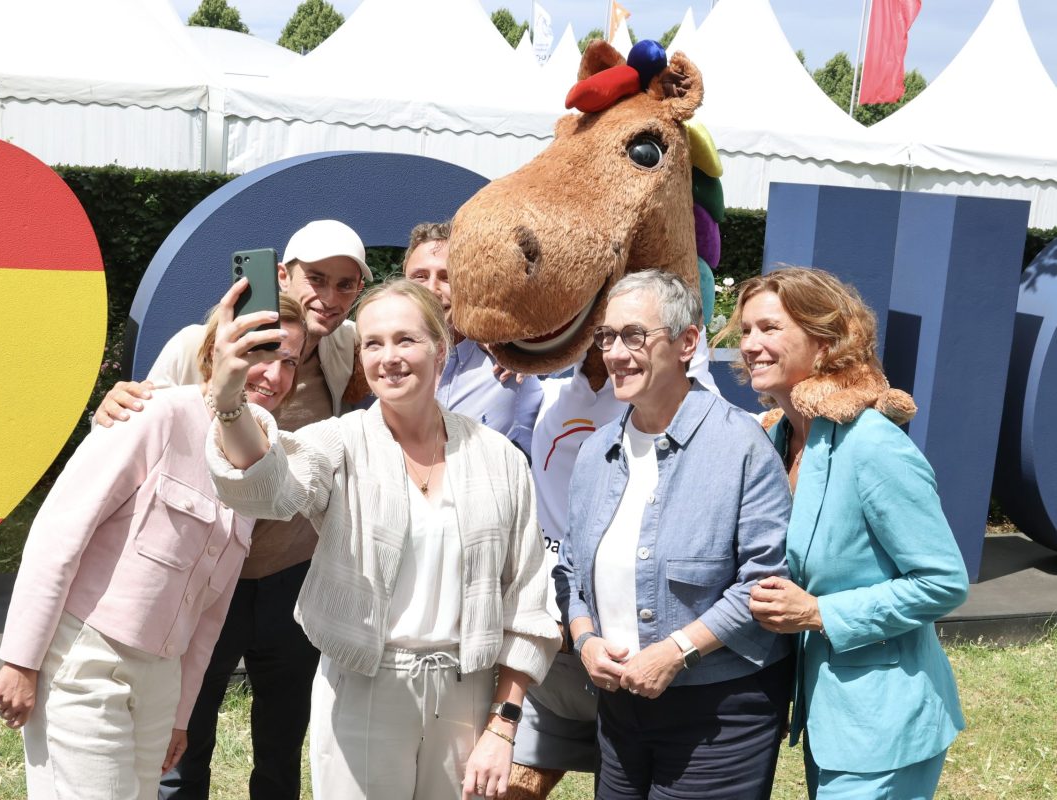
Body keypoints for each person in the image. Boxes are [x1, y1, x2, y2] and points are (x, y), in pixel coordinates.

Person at [206, 279, 561, 800]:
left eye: (405, 340)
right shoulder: (341, 441)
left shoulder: (497, 457)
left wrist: (503, 725)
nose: (388, 357)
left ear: (440, 350)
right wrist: (230, 402)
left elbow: (527, 599)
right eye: (372, 343)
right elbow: (268, 488)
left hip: (466, 694)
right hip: (363, 690)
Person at [0, 288, 307, 800]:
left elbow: (211, 609)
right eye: (258, 352)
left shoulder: (260, 465)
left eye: (289, 361)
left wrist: (180, 716)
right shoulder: (154, 414)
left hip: (161, 677)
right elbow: (59, 533)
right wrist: (21, 661)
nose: (274, 374)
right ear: (215, 351)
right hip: (87, 660)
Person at [92, 220, 368, 800]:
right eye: (316, 278)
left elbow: (425, 322)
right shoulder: (203, 342)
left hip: (292, 578)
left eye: (347, 285)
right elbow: (140, 415)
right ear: (283, 276)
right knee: (184, 730)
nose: (331, 297)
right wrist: (111, 405)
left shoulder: (345, 353)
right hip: (205, 574)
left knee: (282, 737)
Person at [722, 267, 968, 799]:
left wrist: (818, 614)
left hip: (885, 721)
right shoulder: (774, 438)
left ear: (825, 340)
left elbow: (944, 581)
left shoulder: (872, 446)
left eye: (769, 328)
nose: (750, 345)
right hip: (830, 718)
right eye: (745, 331)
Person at [554, 270, 793, 800]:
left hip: (718, 713)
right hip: (619, 708)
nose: (616, 353)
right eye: (607, 337)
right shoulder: (596, 453)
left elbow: (765, 581)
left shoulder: (742, 449)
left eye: (634, 336)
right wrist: (586, 639)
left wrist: (676, 651)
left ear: (687, 343)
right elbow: (570, 568)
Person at [402, 221, 542, 453]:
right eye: (419, 276)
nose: (431, 290)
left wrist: (523, 354)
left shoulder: (508, 370)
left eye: (447, 277)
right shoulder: (370, 361)